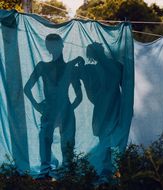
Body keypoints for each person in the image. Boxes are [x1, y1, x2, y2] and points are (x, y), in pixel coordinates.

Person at [24, 34, 83, 177]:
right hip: (50, 108)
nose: (53, 48)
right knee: (45, 138)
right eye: (51, 46)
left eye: (56, 45)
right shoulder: (43, 66)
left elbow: (79, 96)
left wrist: (68, 108)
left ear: (62, 46)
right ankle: (45, 171)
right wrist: (37, 106)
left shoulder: (70, 69)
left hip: (63, 108)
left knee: (67, 141)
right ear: (48, 48)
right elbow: (27, 88)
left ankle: (67, 171)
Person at [79, 42, 123, 181]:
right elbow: (92, 94)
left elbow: (123, 84)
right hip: (102, 107)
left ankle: (115, 167)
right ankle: (107, 169)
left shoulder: (115, 65)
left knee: (115, 136)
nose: (94, 56)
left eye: (94, 53)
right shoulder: (95, 69)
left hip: (115, 106)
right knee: (104, 137)